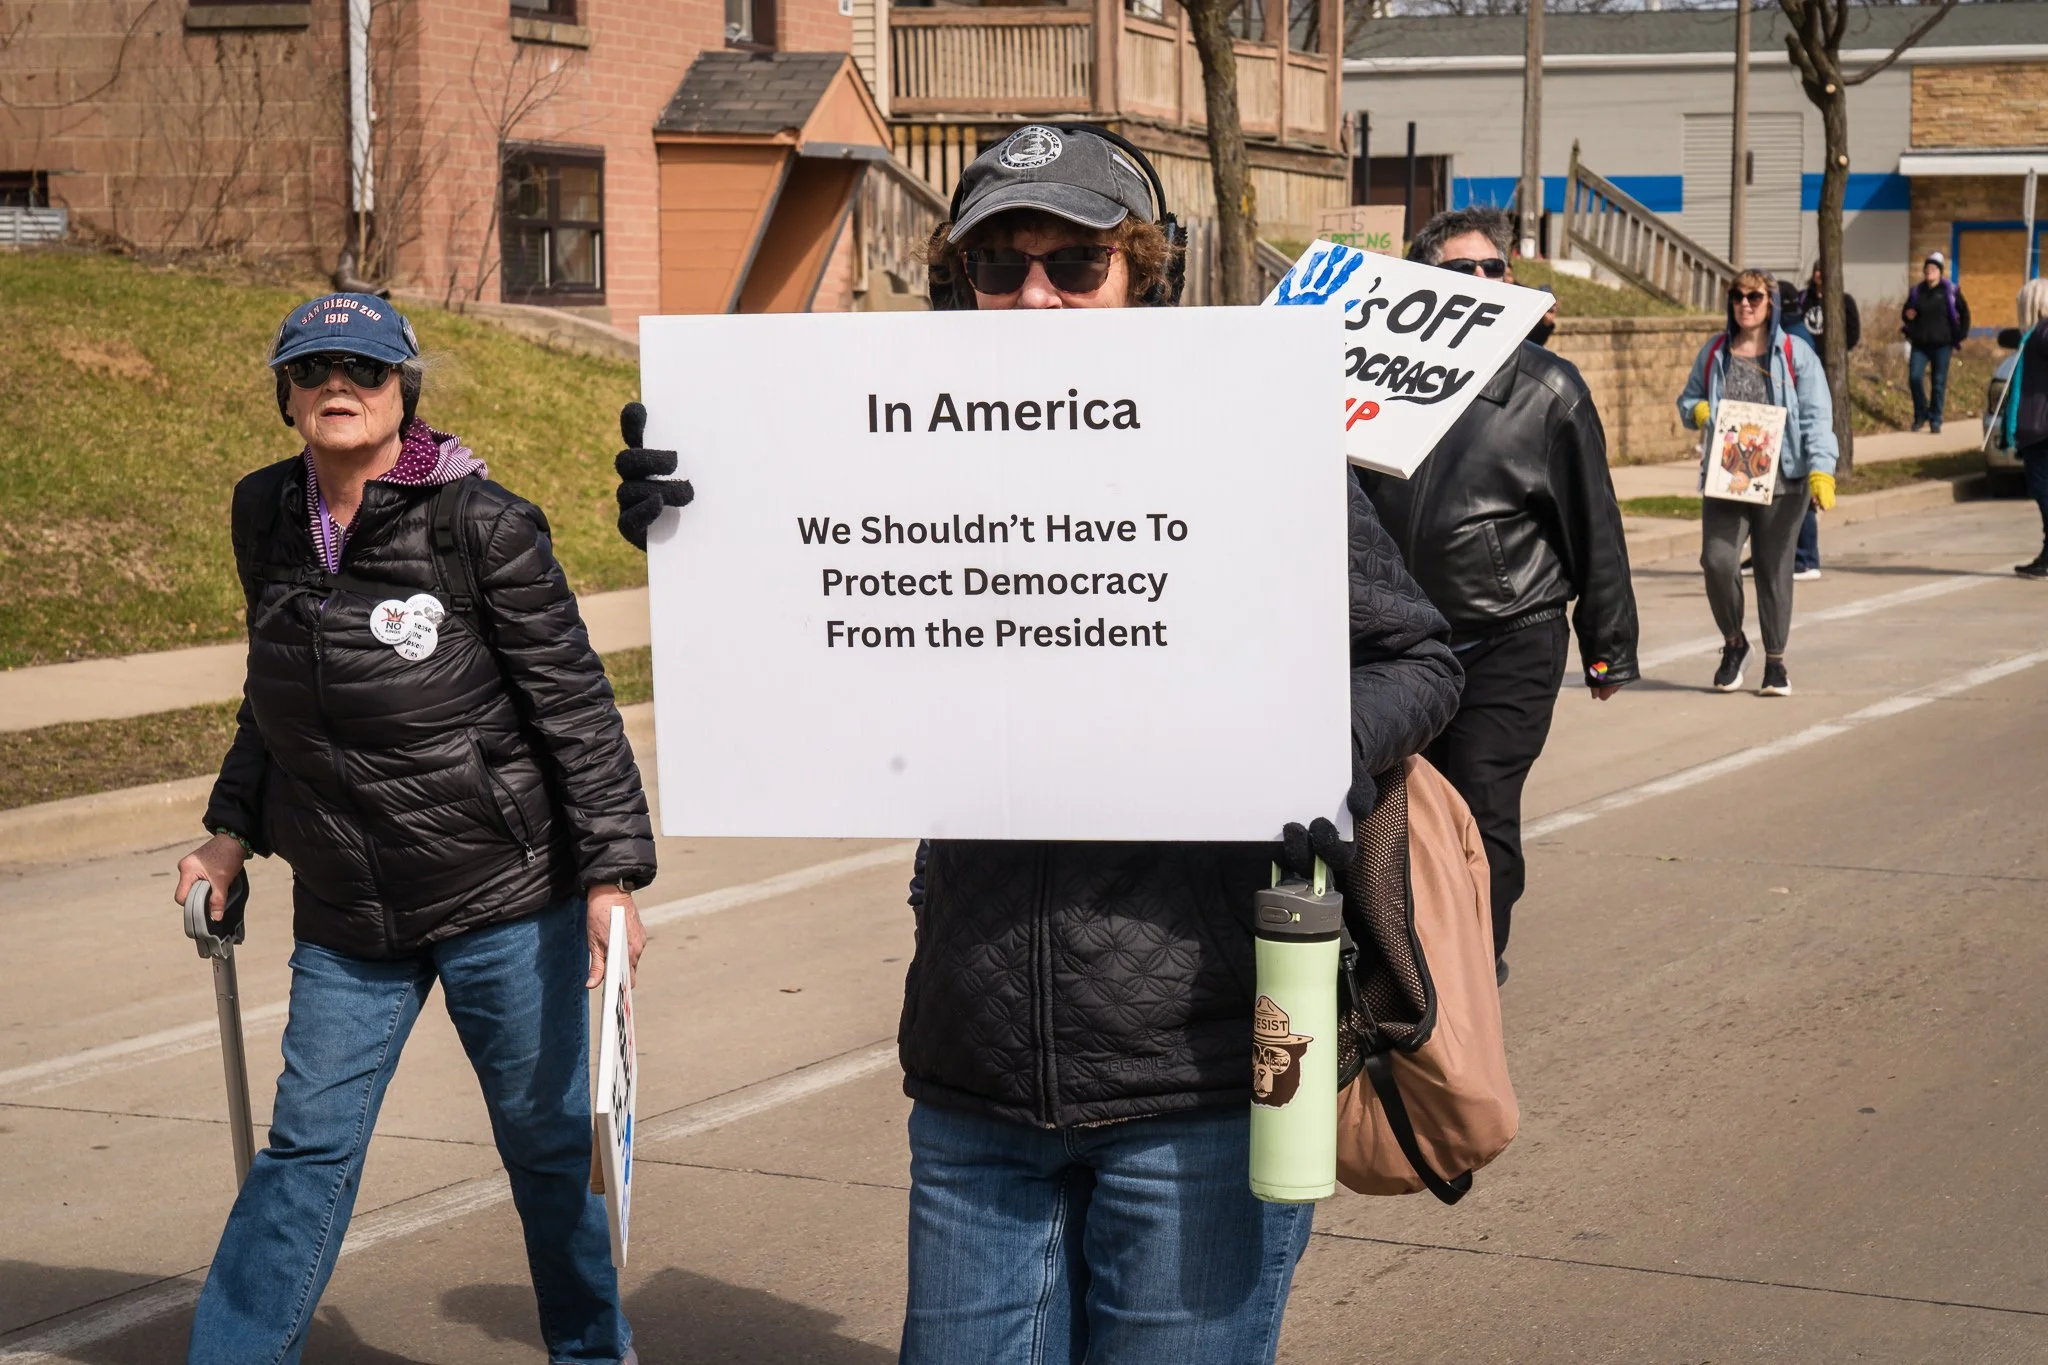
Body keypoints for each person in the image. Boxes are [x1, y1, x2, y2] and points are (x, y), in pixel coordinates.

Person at [616, 125, 1463, 1365]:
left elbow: (1421, 660)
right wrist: (714, 513)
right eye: (999, 265)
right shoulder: (885, 453)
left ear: (1142, 277)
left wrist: (1311, 747)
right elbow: (807, 624)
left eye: (1075, 266)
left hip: (1200, 1076)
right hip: (973, 1081)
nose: (1033, 295)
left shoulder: (1254, 451)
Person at [178, 294, 653, 1365]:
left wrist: (611, 878)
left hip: (499, 893)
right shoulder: (264, 511)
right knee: (305, 1151)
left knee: (543, 1151)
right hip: (349, 907)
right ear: (286, 394)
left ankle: (592, 1351)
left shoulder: (479, 519)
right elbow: (275, 693)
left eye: (365, 369)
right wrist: (227, 832)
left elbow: (572, 705)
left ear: (404, 390)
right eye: (313, 371)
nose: (337, 387)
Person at [1359, 206, 1639, 985]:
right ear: (1419, 288)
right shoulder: (1368, 383)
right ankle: (1399, 961)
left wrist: (1608, 643)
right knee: (1397, 817)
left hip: (1512, 632)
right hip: (1400, 644)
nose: (1483, 284)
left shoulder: (1550, 391)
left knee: (1482, 806)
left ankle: (1473, 971)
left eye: (1496, 271)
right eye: (1462, 272)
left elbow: (1597, 524)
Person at [1679, 268, 1840, 699]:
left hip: (1784, 477)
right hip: (1728, 474)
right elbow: (1689, 397)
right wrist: (1695, 410)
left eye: (1754, 296)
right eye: (1737, 296)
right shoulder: (1716, 351)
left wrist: (1822, 469)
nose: (1744, 304)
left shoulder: (1795, 353)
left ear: (1771, 303)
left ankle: (1776, 663)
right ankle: (1735, 643)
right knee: (1717, 561)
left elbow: (1816, 416)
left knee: (1773, 570)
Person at [1790, 264, 1861, 580]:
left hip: (1807, 406)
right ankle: (1777, 554)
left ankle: (1806, 557)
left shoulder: (1798, 342)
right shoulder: (1776, 338)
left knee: (1801, 492)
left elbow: (1818, 419)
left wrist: (1824, 470)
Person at [1999, 278, 2048, 578]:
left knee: (2044, 491)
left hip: (2042, 429)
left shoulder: (2042, 333)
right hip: (2038, 427)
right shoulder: (2034, 335)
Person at [1901, 250, 1971, 434]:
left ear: (1940, 272)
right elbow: (1906, 313)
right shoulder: (1917, 292)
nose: (1929, 271)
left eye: (1933, 268)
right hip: (1920, 345)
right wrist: (1908, 316)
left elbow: (1964, 313)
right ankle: (1921, 414)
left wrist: (1961, 334)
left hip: (1942, 345)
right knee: (1915, 378)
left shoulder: (1950, 291)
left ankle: (1936, 419)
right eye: (1927, 269)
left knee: (1938, 382)